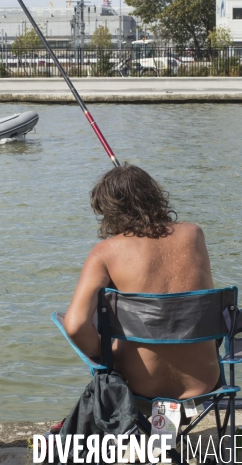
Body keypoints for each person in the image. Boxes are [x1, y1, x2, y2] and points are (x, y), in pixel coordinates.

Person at [63, 164, 219, 401]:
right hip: (205, 382)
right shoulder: (194, 234)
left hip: (140, 386)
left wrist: (103, 353)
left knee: (92, 317)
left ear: (109, 211)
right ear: (155, 197)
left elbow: (75, 326)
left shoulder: (105, 252)